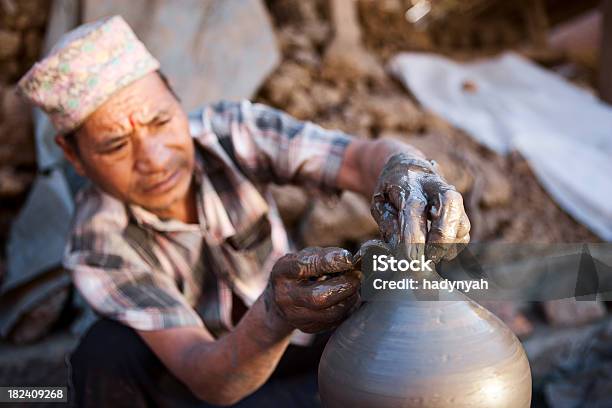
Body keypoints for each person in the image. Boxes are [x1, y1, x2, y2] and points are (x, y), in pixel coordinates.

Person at [18, 16, 470, 407]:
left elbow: (356, 160)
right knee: (103, 356)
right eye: (116, 145)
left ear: (175, 95)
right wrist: (273, 311)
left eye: (160, 121)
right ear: (74, 157)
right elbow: (204, 373)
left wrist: (405, 168)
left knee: (406, 319)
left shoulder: (231, 132)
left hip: (302, 362)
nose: (154, 158)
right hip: (208, 386)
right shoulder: (99, 241)